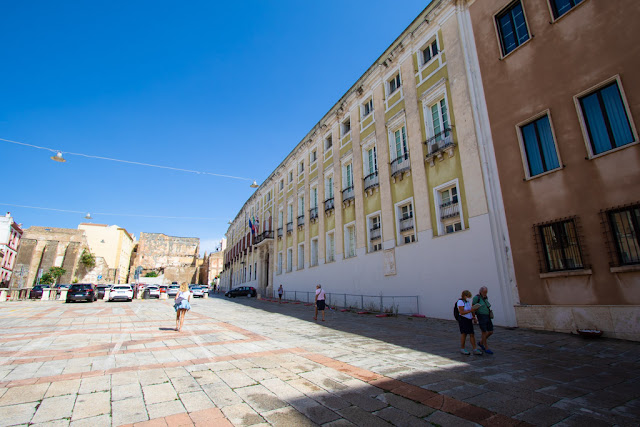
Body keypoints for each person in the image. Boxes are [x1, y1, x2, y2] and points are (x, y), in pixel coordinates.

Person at [457, 290, 482, 355]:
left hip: (468, 319)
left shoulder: (467, 302)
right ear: (464, 296)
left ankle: (475, 349)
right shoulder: (460, 302)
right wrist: (471, 310)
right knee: (464, 334)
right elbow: (461, 312)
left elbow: (470, 310)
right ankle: (462, 348)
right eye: (468, 296)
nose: (468, 298)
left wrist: (473, 317)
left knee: (471, 334)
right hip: (463, 319)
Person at [473, 286, 494, 354]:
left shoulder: (485, 297)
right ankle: (486, 347)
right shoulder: (477, 298)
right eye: (484, 292)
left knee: (490, 331)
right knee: (484, 332)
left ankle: (481, 342)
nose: (485, 293)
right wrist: (474, 317)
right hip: (481, 316)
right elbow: (473, 307)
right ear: (481, 291)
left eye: (486, 292)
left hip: (487, 316)